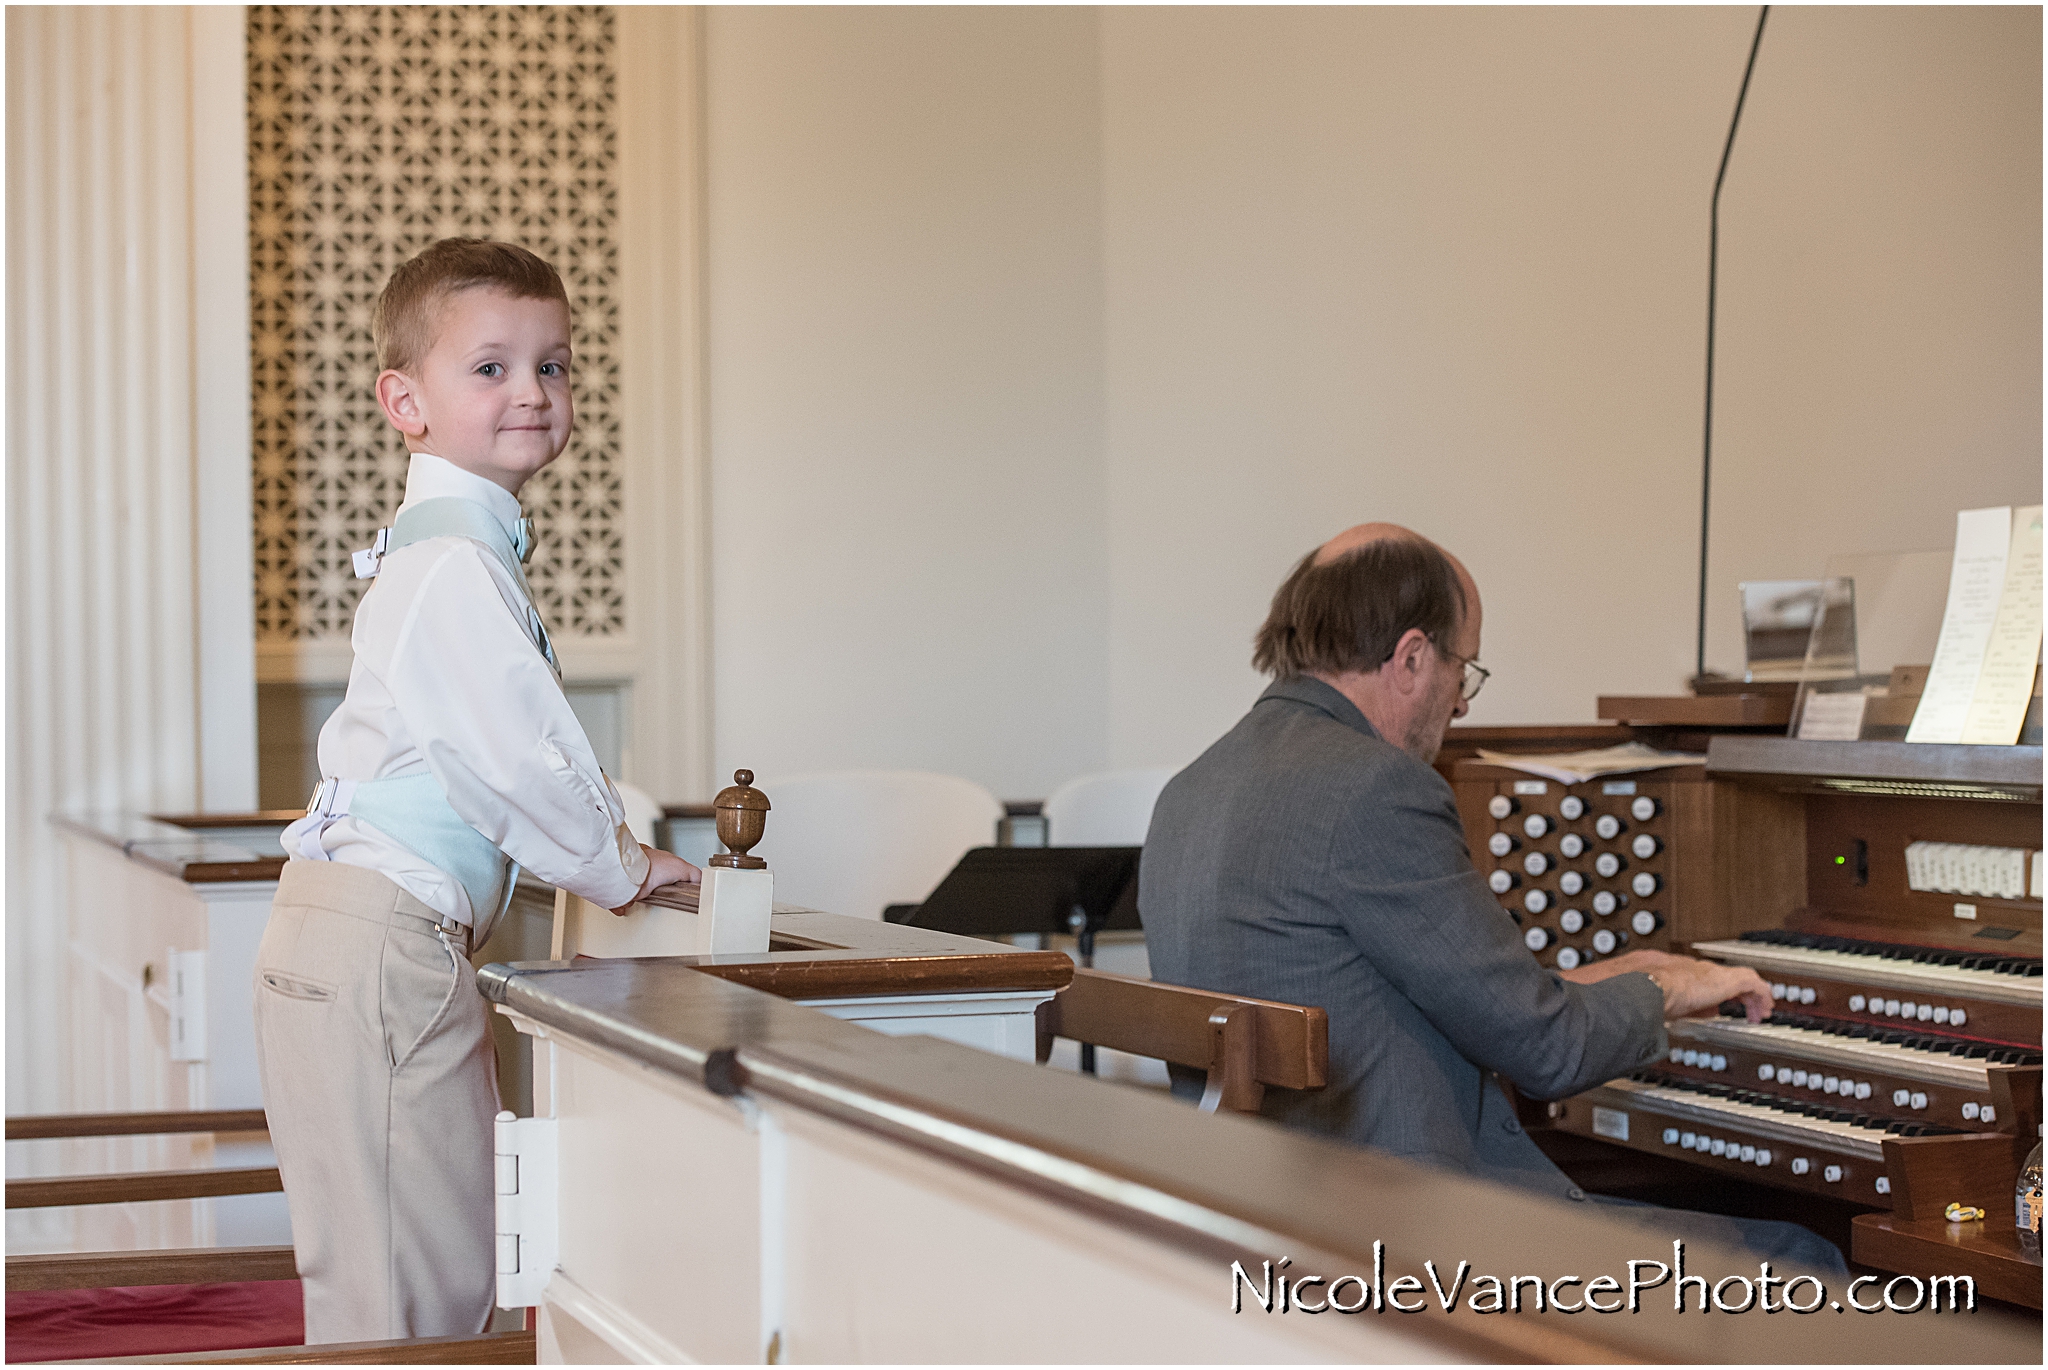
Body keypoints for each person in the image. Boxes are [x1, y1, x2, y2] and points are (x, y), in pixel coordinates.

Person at [1141, 522, 1846, 1272]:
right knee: (1806, 1265)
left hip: (1289, 1227)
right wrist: (1662, 987)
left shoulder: (1191, 790)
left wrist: (1591, 981)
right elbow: (1547, 1050)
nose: (1463, 705)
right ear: (1412, 657)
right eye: (1463, 668)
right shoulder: (1375, 788)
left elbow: (1379, 993)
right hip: (1419, 1244)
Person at [258, 239, 699, 1342]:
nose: (532, 393)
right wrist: (622, 863)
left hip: (352, 938)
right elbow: (510, 758)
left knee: (386, 1278)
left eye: (553, 365)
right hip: (383, 948)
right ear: (404, 400)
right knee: (422, 1294)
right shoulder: (453, 562)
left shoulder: (443, 546)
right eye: (490, 367)